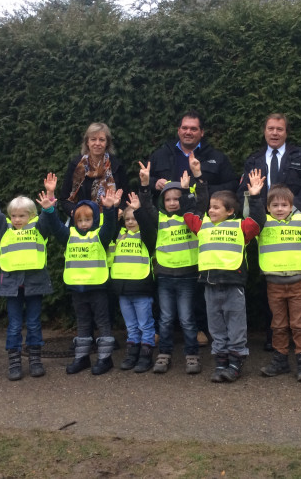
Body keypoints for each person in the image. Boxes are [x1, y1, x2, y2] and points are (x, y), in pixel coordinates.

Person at [237, 113, 301, 354]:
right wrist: (263, 215)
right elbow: (244, 192)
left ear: (286, 132)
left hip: (297, 225)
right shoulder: (254, 159)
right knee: (271, 283)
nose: (275, 133)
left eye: (279, 129)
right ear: (264, 131)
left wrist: (288, 212)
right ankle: (274, 337)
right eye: (270, 129)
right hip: (265, 227)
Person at [148, 110, 237, 349]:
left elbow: (231, 185)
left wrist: (201, 182)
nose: (188, 132)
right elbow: (144, 184)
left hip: (201, 222)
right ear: (178, 130)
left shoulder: (215, 157)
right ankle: (159, 327)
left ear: (201, 133)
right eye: (184, 128)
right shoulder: (161, 155)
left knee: (197, 277)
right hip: (166, 225)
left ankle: (198, 326)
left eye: (193, 128)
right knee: (164, 274)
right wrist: (154, 183)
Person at [0, 172, 58, 381]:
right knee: (15, 325)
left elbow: (50, 216)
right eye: (14, 215)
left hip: (35, 284)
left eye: (22, 215)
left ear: (32, 216)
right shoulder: (4, 228)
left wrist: (51, 195)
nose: (17, 219)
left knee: (34, 323)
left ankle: (35, 360)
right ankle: (15, 361)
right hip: (11, 285)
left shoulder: (39, 227)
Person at [182, 169, 267, 382]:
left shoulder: (240, 226)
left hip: (233, 284)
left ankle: (235, 362)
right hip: (210, 285)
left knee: (236, 325)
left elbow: (257, 220)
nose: (210, 211)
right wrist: (186, 192)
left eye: (215, 207)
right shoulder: (203, 226)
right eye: (210, 207)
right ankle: (220, 361)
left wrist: (255, 196)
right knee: (216, 326)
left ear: (230, 211)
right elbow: (189, 214)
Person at [48, 187, 123, 375]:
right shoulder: (69, 237)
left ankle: (105, 359)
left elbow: (109, 227)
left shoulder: (100, 237)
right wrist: (49, 210)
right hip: (77, 288)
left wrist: (109, 209)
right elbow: (56, 227)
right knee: (82, 323)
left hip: (97, 288)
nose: (83, 224)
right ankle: (82, 358)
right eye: (79, 220)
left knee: (103, 322)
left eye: (87, 220)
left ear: (94, 220)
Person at [138, 158, 202, 375]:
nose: (173, 202)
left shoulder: (190, 219)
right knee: (165, 319)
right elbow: (146, 206)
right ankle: (164, 353)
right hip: (165, 276)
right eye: (169, 199)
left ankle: (191, 354)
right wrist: (145, 186)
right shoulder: (161, 220)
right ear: (163, 202)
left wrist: (187, 191)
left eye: (177, 198)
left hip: (188, 276)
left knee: (187, 319)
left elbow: (197, 204)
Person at [258, 184, 301, 382]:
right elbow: (251, 213)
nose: (279, 209)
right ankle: (281, 359)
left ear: (292, 207)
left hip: (298, 282)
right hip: (274, 283)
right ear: (267, 208)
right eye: (275, 205)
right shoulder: (262, 222)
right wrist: (254, 194)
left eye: (284, 205)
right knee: (278, 325)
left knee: (299, 324)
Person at [111, 193, 158, 374]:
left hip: (141, 288)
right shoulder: (120, 235)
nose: (130, 222)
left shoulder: (146, 237)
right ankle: (132, 354)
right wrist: (113, 210)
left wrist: (139, 211)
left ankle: (146, 357)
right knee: (131, 326)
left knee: (145, 324)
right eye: (127, 219)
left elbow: (147, 226)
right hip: (123, 289)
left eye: (134, 219)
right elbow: (110, 228)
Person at [59, 122, 129, 219]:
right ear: (87, 142)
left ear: (107, 142)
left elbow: (125, 196)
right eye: (93, 139)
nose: (97, 143)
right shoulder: (75, 166)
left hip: (110, 222)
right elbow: (64, 199)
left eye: (101, 140)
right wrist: (75, 212)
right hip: (82, 222)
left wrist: (120, 210)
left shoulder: (117, 166)